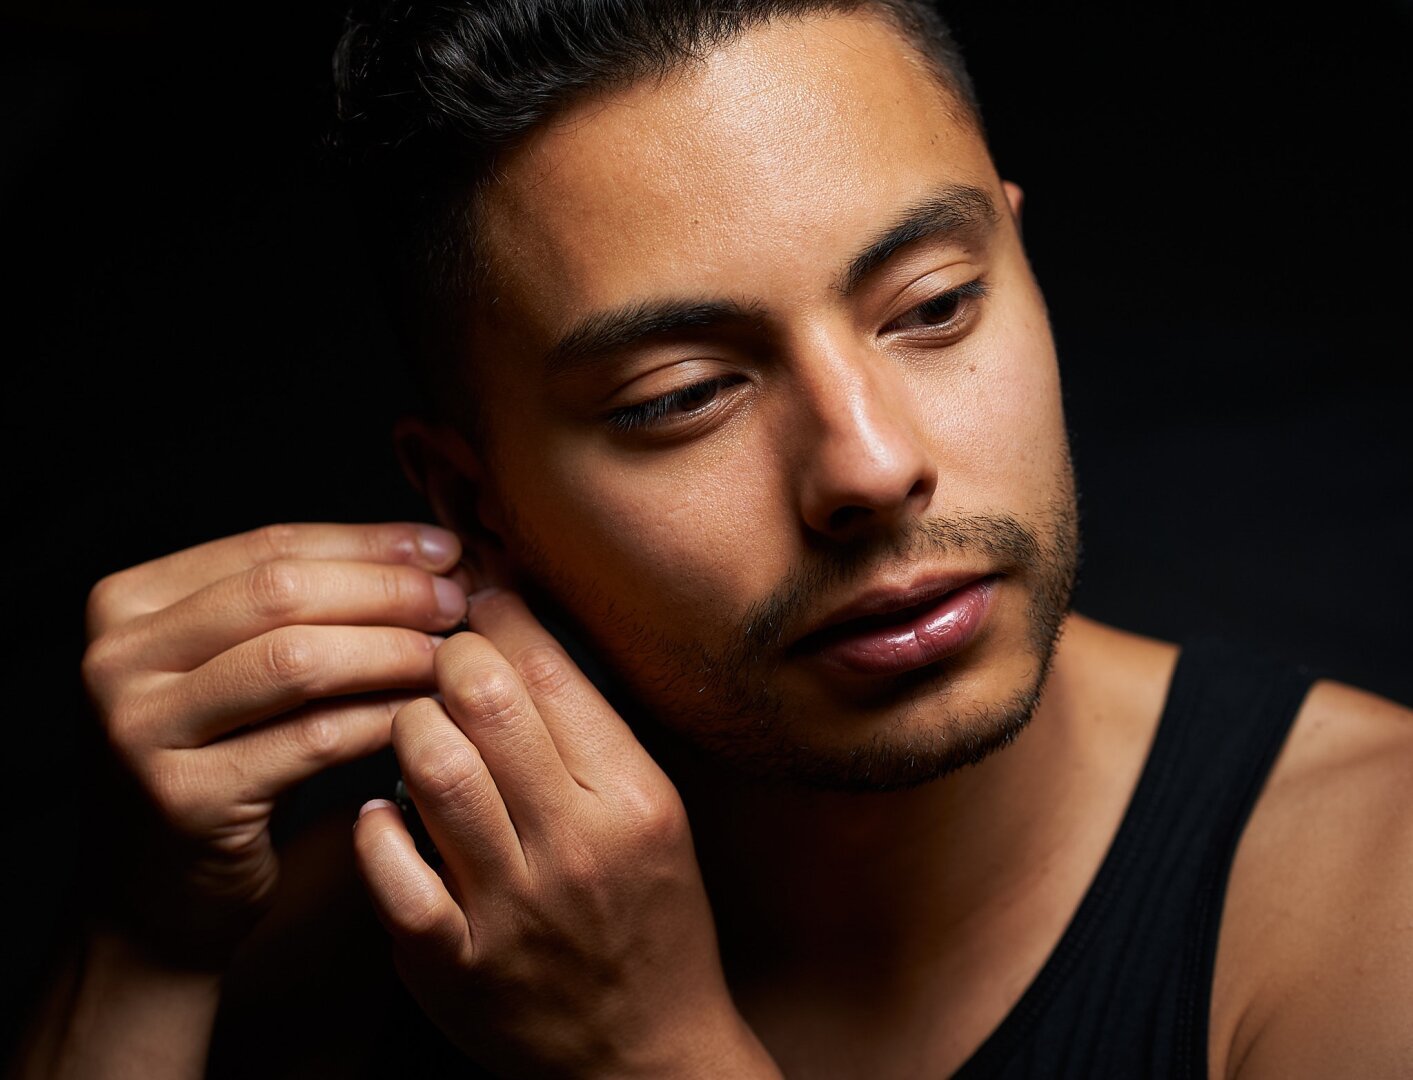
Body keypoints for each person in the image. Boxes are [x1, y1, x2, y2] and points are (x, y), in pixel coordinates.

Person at [15, 1, 1411, 1076]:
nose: (868, 463)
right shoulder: (371, 929)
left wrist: (654, 1058)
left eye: (930, 308)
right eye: (681, 396)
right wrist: (146, 941)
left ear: (1020, 263)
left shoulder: (1369, 899)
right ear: (469, 501)